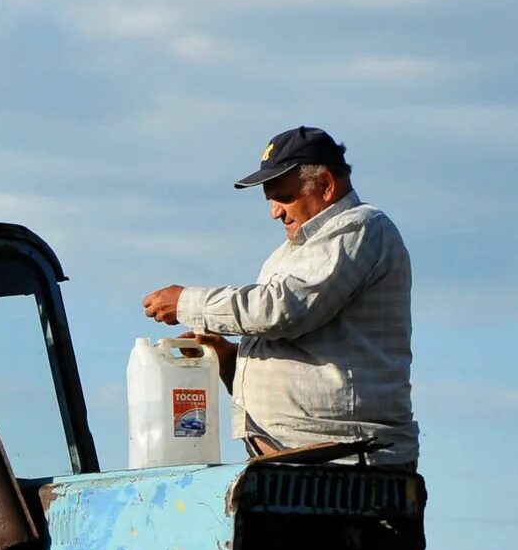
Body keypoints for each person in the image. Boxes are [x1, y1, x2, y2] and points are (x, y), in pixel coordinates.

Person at [141, 127, 416, 465]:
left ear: (327, 185)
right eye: (270, 199)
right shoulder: (293, 252)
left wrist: (187, 302)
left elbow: (282, 310)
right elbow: (287, 332)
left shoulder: (360, 228)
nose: (275, 211)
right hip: (299, 464)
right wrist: (230, 359)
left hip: (347, 464)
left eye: (283, 197)